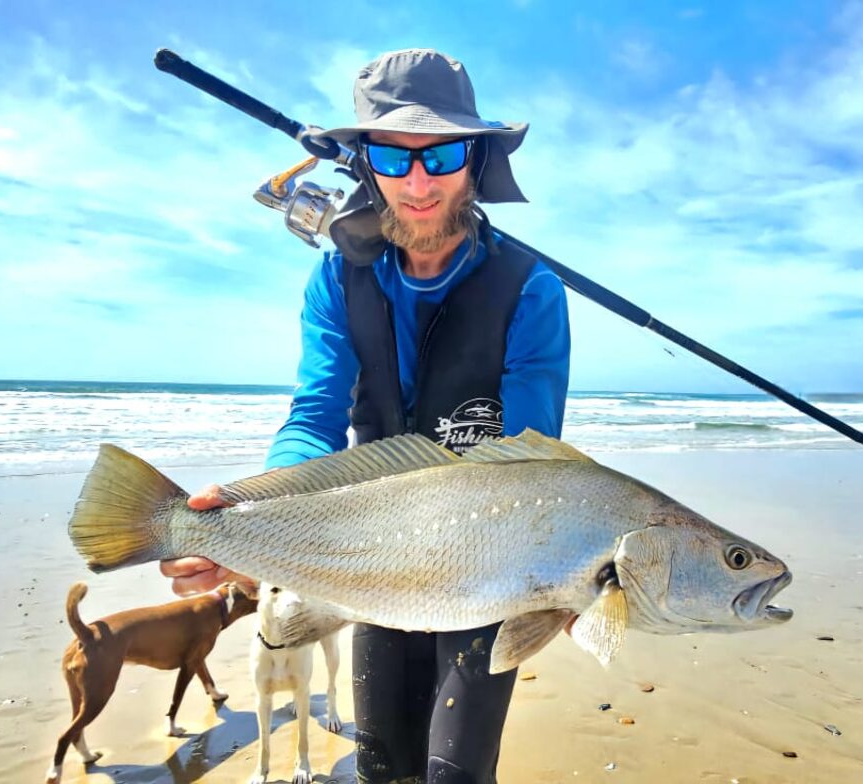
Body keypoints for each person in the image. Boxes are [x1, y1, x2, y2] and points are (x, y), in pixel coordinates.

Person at [161, 48, 570, 783]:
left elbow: (534, 458)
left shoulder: (531, 289)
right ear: (366, 161)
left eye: (441, 153)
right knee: (379, 767)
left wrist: (570, 576)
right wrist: (249, 516)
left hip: (488, 570)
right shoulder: (334, 280)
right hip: (370, 558)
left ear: (475, 161)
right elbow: (316, 414)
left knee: (456, 772)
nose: (417, 181)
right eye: (393, 152)